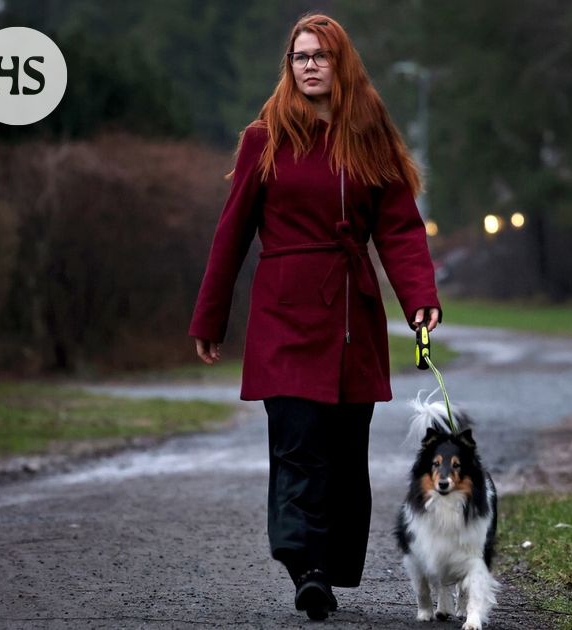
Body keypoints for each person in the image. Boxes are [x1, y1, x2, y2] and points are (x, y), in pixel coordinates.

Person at [187, 13, 441, 621]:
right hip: (284, 316)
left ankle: (327, 565)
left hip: (353, 316)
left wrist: (419, 297)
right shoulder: (265, 138)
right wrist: (209, 317)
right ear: (289, 65)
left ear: (340, 63)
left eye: (320, 56)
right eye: (299, 56)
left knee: (346, 456)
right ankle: (307, 568)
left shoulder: (370, 137)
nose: (308, 65)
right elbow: (232, 232)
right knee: (298, 446)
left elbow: (400, 229)